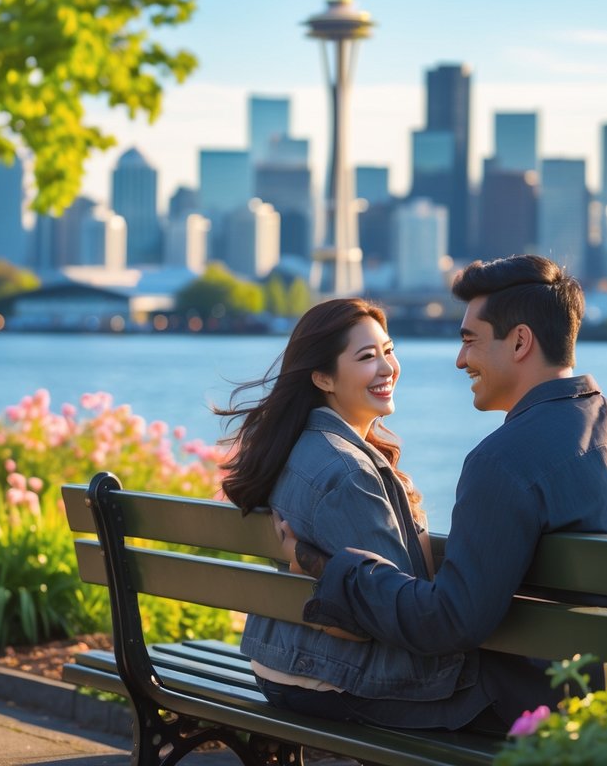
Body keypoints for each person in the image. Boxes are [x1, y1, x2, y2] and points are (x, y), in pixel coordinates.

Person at [277, 255, 607, 727]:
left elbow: (448, 622)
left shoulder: (502, 461)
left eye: (469, 341)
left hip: (541, 704)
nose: (460, 360)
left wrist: (324, 564)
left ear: (520, 341)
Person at [215, 297, 502, 732]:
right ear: (323, 377)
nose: (388, 367)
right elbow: (393, 617)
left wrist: (304, 557)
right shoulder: (348, 472)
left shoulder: (293, 446)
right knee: (517, 700)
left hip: (278, 663)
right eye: (367, 357)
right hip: (337, 680)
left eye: (389, 350)